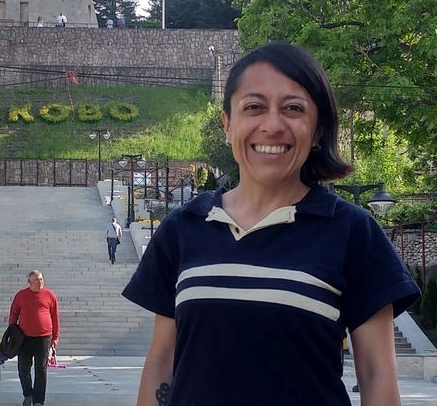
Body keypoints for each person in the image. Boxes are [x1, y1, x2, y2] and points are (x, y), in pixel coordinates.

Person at [123, 42, 419, 406]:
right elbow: (161, 360)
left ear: (317, 129)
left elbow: (377, 377)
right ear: (228, 124)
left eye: (293, 109)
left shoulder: (353, 233)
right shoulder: (184, 228)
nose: (273, 125)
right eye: (254, 107)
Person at [9, 270, 60, 406]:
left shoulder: (50, 295)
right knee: (23, 368)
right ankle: (28, 394)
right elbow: (14, 314)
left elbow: (55, 317)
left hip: (43, 338)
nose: (40, 282)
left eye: (41, 279)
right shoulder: (21, 295)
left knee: (41, 370)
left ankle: (38, 400)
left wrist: (55, 338)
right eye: (36, 280)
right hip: (24, 338)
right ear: (29, 282)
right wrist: (12, 333)